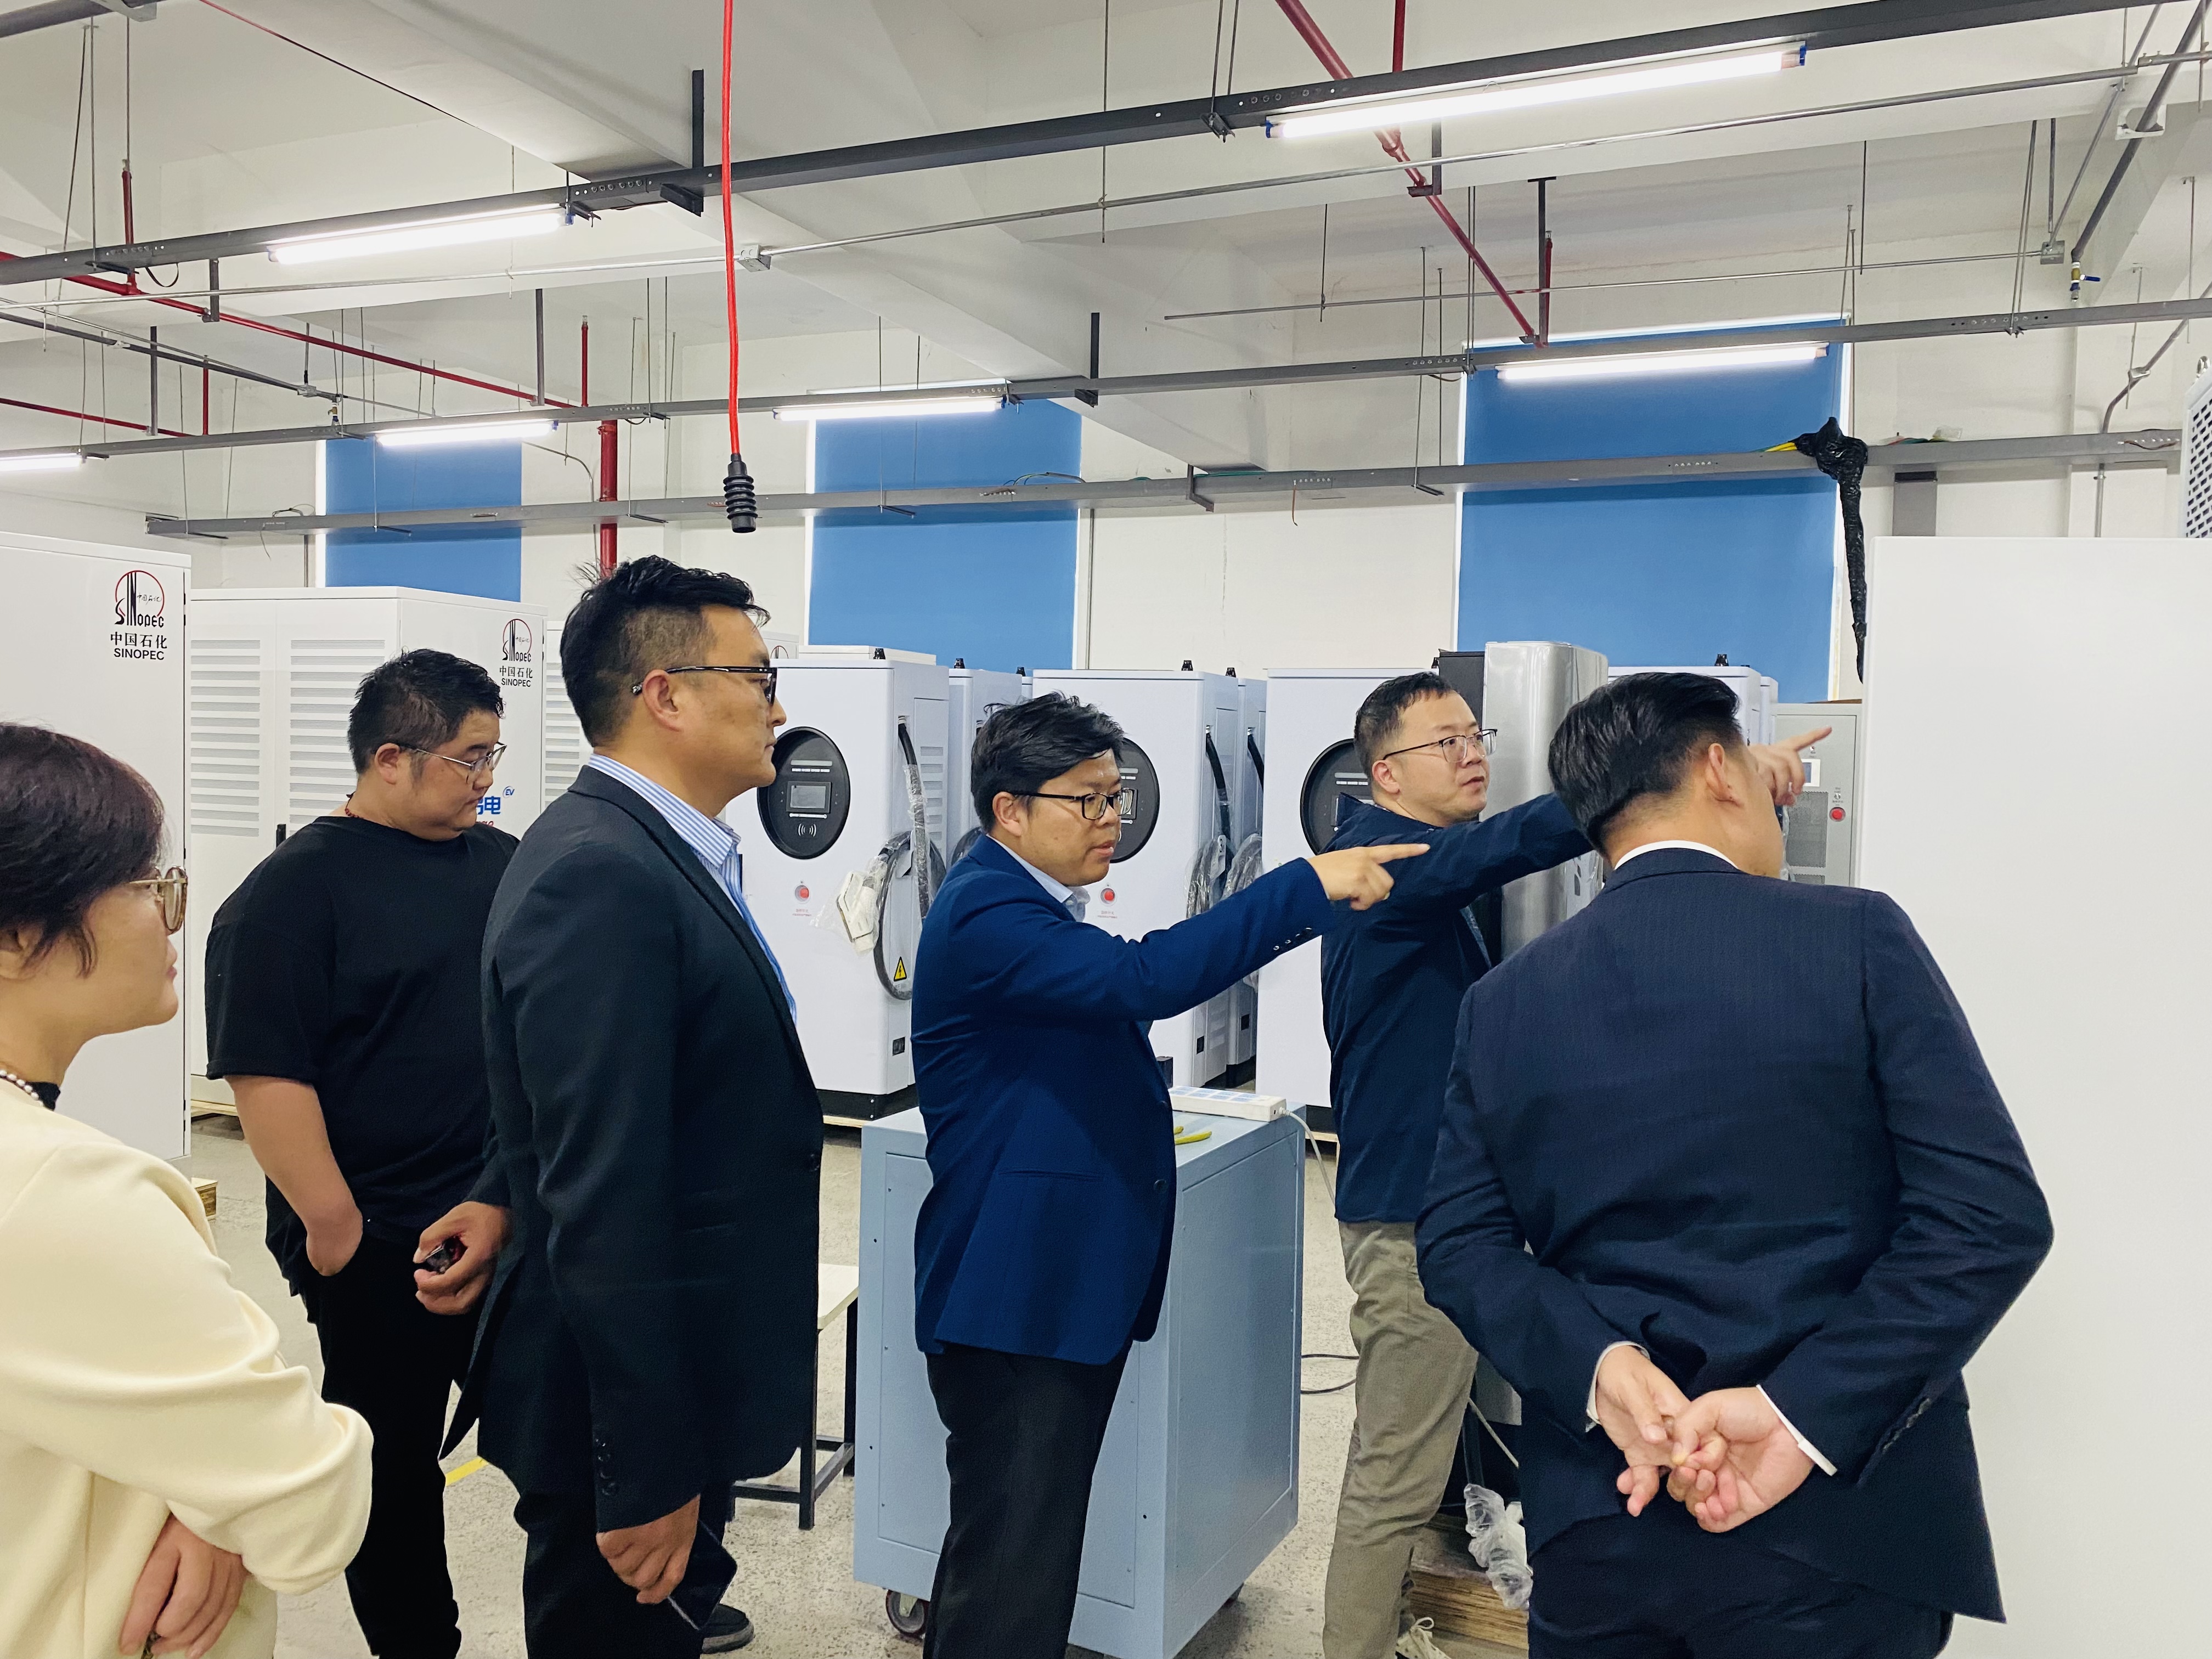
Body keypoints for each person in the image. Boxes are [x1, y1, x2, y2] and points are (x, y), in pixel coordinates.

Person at [1416, 672, 2054, 1659]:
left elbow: (1460, 1245)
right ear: (1721, 769)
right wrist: (1798, 1413)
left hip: (1604, 1513)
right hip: (1840, 1530)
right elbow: (1988, 1217)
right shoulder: (1855, 938)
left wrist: (1599, 1368)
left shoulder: (1505, 1001)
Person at [910, 692, 1427, 1659]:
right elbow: (1143, 979)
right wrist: (1305, 886)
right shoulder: (985, 908)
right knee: (1014, 1560)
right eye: (1088, 801)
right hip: (1016, 1299)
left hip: (1050, 1287)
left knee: (1013, 1546)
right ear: (1010, 810)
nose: (1111, 820)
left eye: (1117, 797)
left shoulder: (1020, 900)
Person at [1319, 670, 1819, 1659]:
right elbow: (1509, 844)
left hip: (1437, 1211)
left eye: (1477, 734)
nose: (1473, 754)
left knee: (1427, 1451)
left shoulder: (1428, 872)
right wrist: (1657, 780)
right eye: (1446, 742)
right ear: (1386, 773)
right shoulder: (1379, 864)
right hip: (1410, 1223)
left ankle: (1391, 1621)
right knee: (1393, 1473)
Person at [443, 557, 820, 1659]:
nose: (778, 707)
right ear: (667, 696)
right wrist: (646, 1469)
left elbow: (582, 1098)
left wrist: (500, 1188)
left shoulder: (652, 850)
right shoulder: (603, 872)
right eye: (758, 677)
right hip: (619, 1408)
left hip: (678, 1367)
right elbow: (605, 1188)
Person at [0, 723, 373, 1659]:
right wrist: (226, 1506)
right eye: (142, 884)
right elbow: (307, 1500)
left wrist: (202, 1498)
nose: (170, 913)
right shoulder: (64, 1193)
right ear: (17, 936)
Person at [202, 649, 517, 1659]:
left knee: (552, 1429)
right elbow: (266, 1075)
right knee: (394, 1466)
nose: (485, 780)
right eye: (470, 759)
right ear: (391, 758)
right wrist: (336, 1230)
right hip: (383, 1244)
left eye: (492, 757)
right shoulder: (291, 896)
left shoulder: (502, 865)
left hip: (502, 1213)